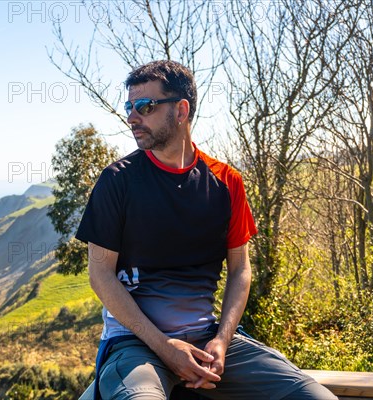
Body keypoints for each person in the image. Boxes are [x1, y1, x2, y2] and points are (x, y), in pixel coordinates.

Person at [75, 60, 337, 400]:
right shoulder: (117, 181)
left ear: (181, 110)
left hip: (207, 341)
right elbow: (100, 275)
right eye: (129, 107)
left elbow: (241, 269)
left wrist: (222, 341)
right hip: (135, 345)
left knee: (316, 397)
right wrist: (166, 347)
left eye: (144, 106)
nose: (132, 117)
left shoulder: (227, 183)